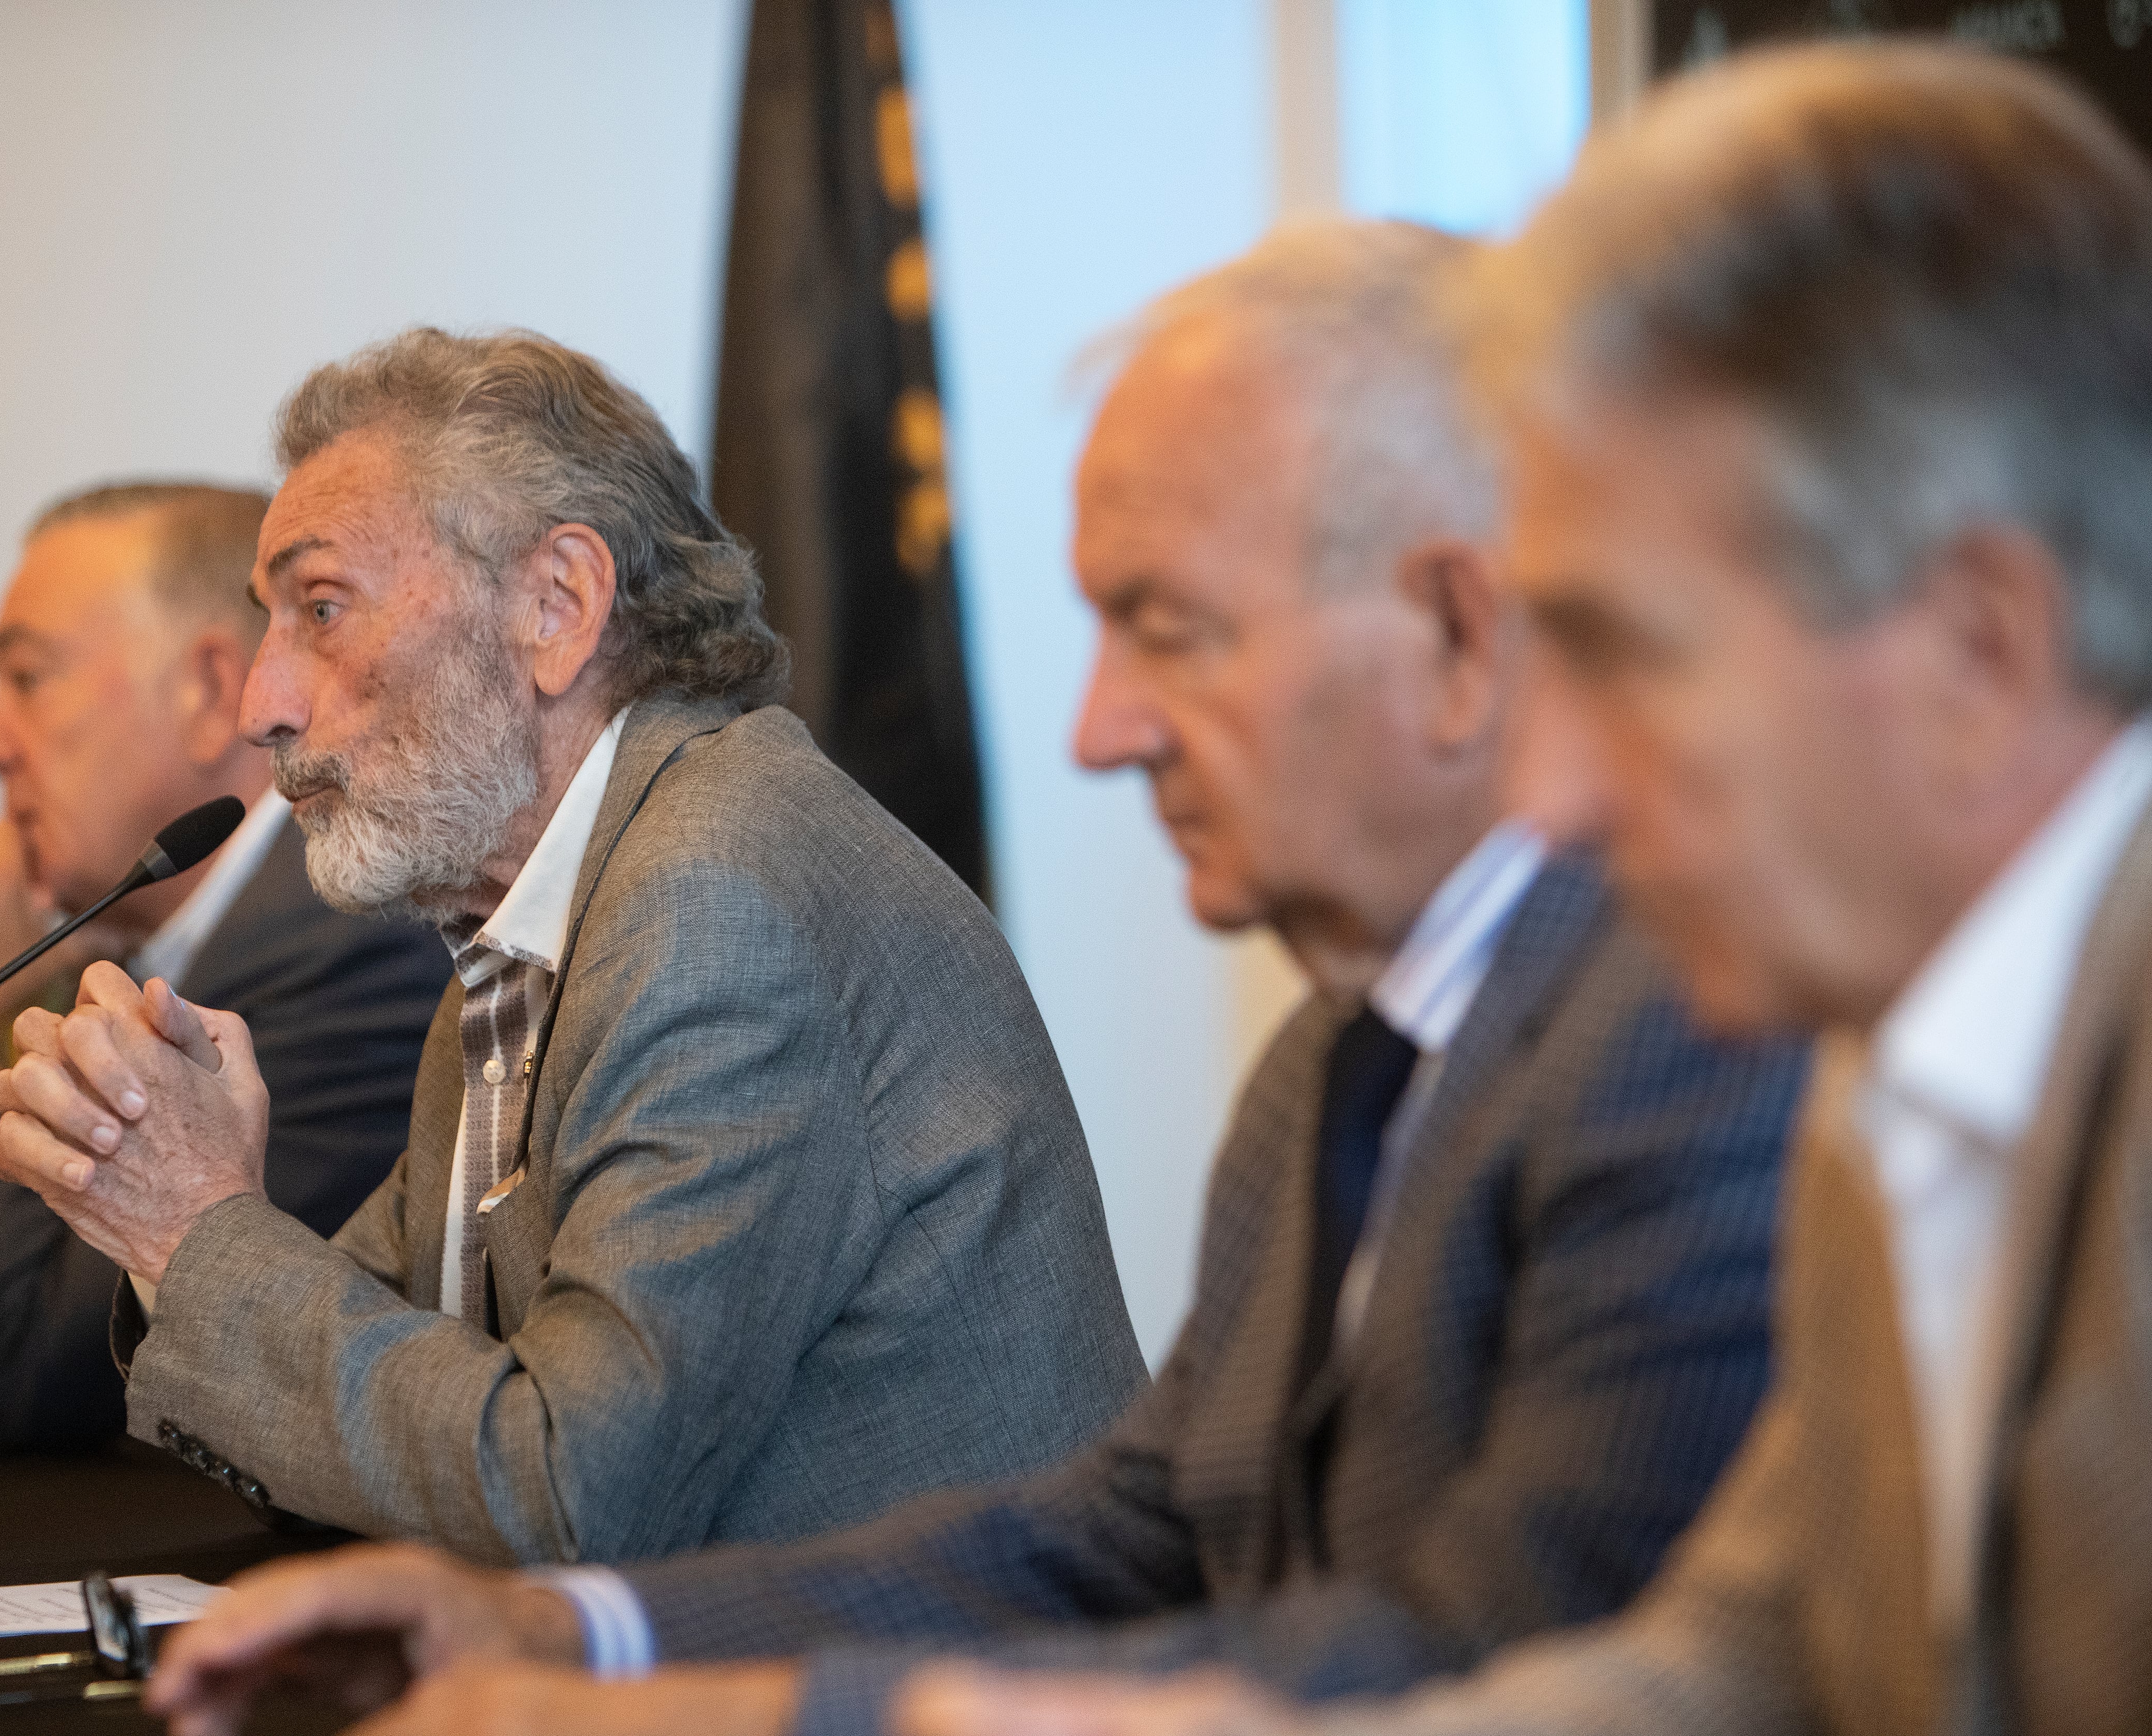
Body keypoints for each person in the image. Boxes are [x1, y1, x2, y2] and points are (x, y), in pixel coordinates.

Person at [130, 223, 1811, 1736]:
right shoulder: (1333, 1057)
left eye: (1171, 627)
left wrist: (743, 1711)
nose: (1098, 731)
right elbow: (1132, 1530)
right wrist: (569, 1635)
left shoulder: (1677, 1041)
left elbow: (1466, 1657)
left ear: (1456, 635)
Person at [875, 38, 2152, 1736]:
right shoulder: (1890, 1064)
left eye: (1624, 655)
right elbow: (1742, 1655)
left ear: (1979, 653)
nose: (1548, 791)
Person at [0, 327, 1147, 1560]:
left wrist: (193, 1224)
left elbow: (576, 1493)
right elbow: (387, 1425)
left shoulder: (715, 899)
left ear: (558, 606)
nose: (267, 703)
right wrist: (182, 1216)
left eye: (322, 609)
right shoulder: (521, 923)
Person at [0, 482, 451, 1453]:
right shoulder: (90, 947)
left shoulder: (347, 946)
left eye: (28, 678)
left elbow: (41, 1373)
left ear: (214, 692)